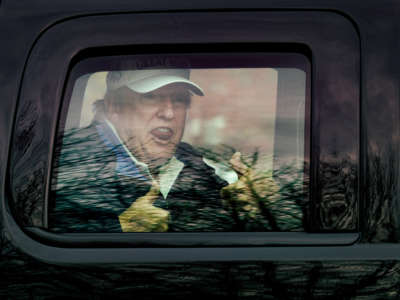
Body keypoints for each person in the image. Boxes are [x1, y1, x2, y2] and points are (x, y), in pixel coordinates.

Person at [50, 68, 280, 232]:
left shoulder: (197, 164)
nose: (169, 113)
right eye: (151, 97)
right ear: (114, 106)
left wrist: (251, 207)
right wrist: (119, 232)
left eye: (179, 100)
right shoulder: (68, 162)